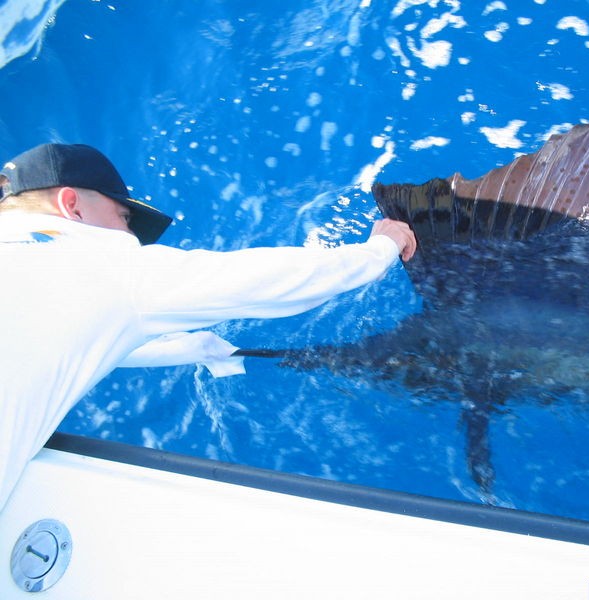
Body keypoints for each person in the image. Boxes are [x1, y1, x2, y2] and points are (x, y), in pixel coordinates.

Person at [0, 142, 416, 512]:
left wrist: (191, 348)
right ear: (72, 205)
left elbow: (44, 332)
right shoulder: (106, 265)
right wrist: (382, 246)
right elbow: (286, 281)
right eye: (125, 218)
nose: (131, 235)